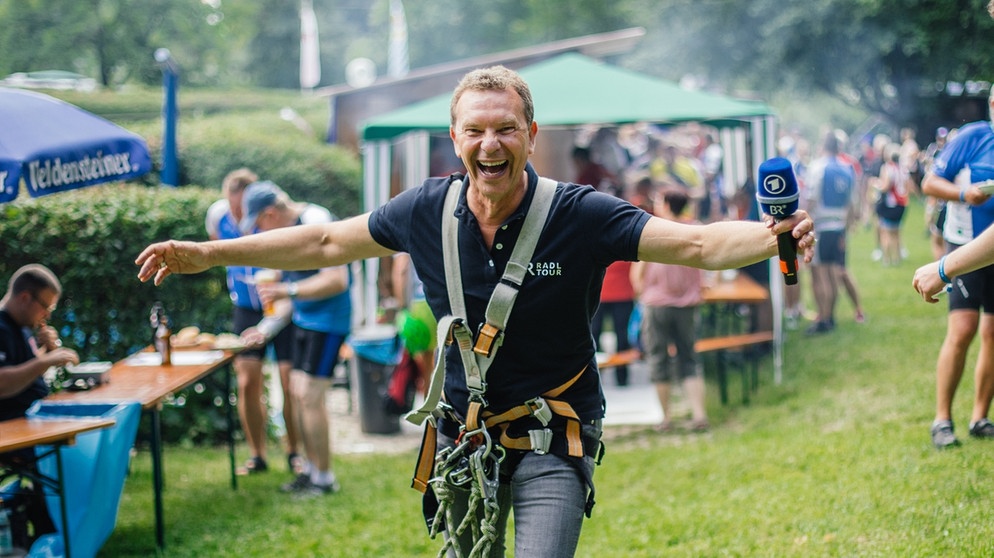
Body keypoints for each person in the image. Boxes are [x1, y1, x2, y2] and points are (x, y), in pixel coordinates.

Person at [135, 65, 815, 557]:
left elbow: (695, 243)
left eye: (506, 129)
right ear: (454, 138)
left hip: (553, 435)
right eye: (477, 131)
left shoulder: (579, 215)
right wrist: (212, 251)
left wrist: (770, 236)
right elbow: (321, 240)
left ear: (530, 134)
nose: (491, 144)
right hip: (465, 445)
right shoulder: (423, 210)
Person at [236, 181, 352, 497]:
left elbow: (336, 279)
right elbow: (288, 297)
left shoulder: (315, 219)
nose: (260, 231)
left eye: (259, 223)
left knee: (310, 396)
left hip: (328, 322)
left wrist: (287, 290)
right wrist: (264, 330)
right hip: (304, 319)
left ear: (271, 213)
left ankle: (324, 479)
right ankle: (311, 471)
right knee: (298, 393)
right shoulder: (290, 233)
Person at [205, 168, 299, 475]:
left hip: (280, 305)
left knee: (289, 382)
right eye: (233, 208)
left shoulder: (271, 215)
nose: (238, 215)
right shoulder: (216, 216)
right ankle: (257, 455)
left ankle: (294, 452)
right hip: (245, 307)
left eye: (242, 209)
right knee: (246, 381)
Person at [918, 91, 994, 449]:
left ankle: (980, 417)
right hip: (964, 248)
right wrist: (965, 194)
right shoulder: (974, 136)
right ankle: (941, 419)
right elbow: (929, 183)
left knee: (992, 333)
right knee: (963, 330)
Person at [0, 264, 79, 547]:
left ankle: (71, 527)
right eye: (46, 306)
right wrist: (44, 361)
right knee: (71, 450)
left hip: (32, 419)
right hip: (11, 428)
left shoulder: (21, 327)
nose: (46, 315)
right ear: (25, 298)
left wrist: (44, 351)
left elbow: (28, 376)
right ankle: (57, 533)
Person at [630, 188, 709, 432]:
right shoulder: (694, 230)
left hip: (656, 306)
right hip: (687, 305)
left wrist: (642, 294)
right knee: (689, 358)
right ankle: (698, 414)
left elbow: (637, 275)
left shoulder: (654, 231)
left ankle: (666, 418)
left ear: (665, 204)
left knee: (658, 359)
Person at [803, 131, 860, 334]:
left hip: (821, 225)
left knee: (820, 274)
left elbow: (812, 197)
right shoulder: (847, 168)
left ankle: (823, 318)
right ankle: (830, 317)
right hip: (839, 225)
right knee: (833, 272)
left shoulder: (818, 166)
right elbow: (853, 202)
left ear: (822, 145)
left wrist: (803, 220)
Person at [873, 144, 909, 266]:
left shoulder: (887, 168)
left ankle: (887, 259)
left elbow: (885, 186)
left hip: (890, 204)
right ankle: (897, 258)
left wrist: (876, 184)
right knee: (897, 232)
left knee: (886, 232)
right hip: (902, 204)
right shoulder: (903, 169)